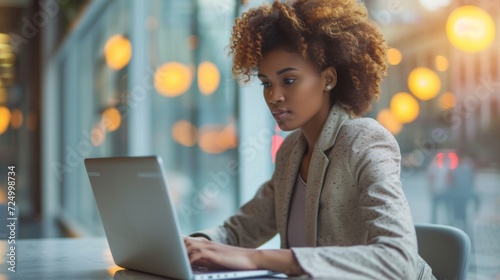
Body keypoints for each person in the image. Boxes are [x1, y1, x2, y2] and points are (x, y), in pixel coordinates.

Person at [183, 0, 434, 278]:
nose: (273, 97)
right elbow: (240, 230)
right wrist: (191, 246)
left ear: (328, 79)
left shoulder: (364, 141)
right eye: (266, 83)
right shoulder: (291, 151)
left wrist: (261, 259)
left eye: (288, 80)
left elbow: (398, 261)